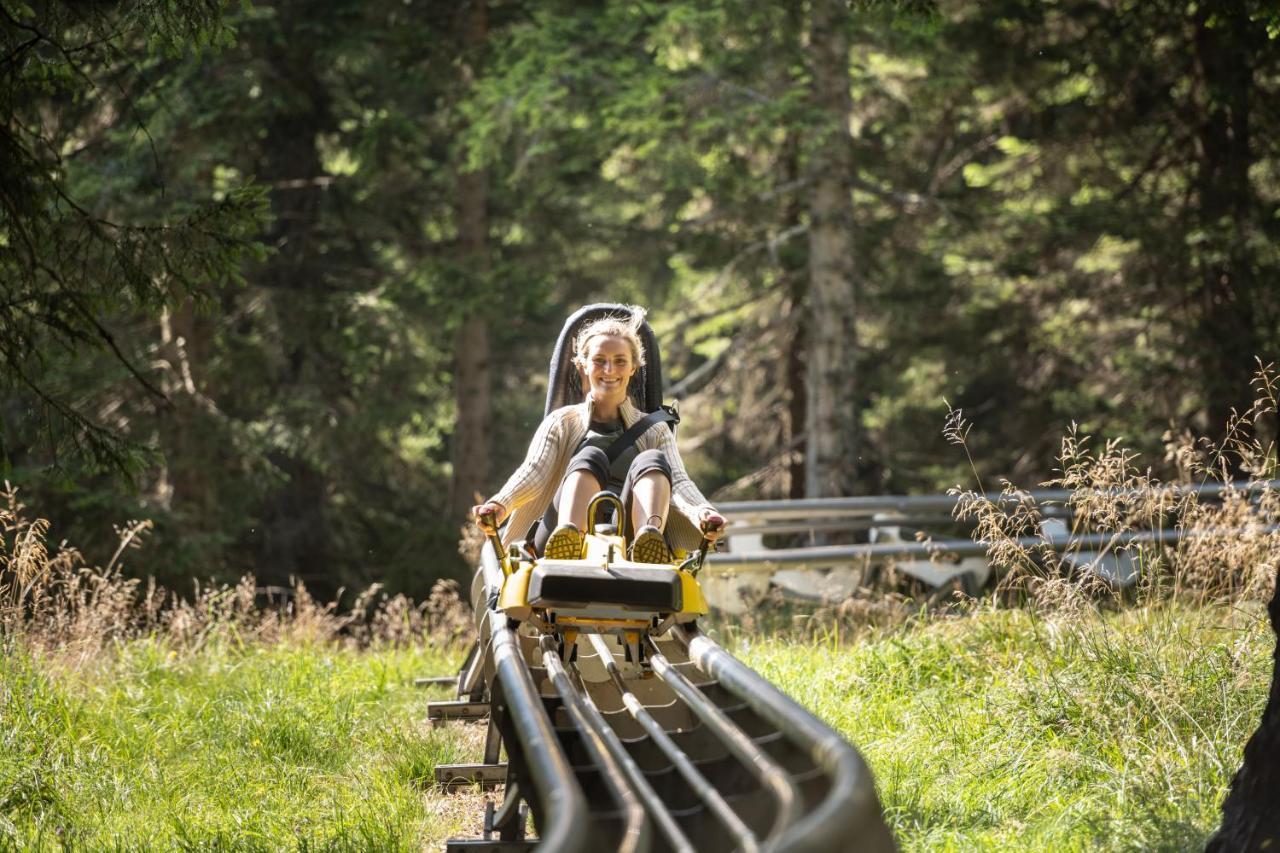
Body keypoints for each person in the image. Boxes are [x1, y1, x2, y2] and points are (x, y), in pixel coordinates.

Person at [472, 307, 725, 563]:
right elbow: (534, 471)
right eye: (599, 360)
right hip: (555, 535)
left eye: (620, 361)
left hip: (625, 538)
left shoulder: (655, 430)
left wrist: (702, 512)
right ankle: (569, 538)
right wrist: (500, 504)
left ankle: (649, 541)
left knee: (654, 461)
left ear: (633, 367)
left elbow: (679, 482)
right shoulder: (562, 422)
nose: (609, 369)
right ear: (583, 364)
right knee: (589, 457)